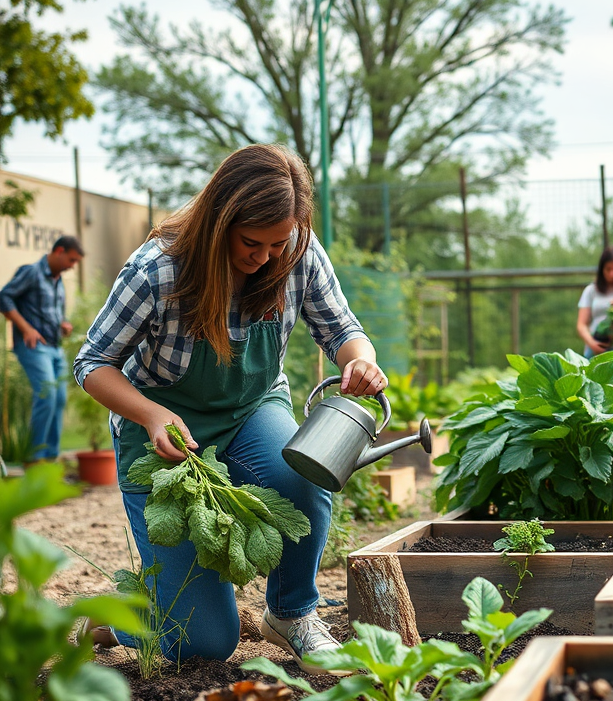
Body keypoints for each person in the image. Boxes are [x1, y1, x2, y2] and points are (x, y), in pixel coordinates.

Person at [73, 144, 388, 669]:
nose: (264, 256)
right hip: (162, 433)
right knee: (204, 646)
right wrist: (151, 414)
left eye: (277, 243)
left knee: (303, 478)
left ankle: (292, 614)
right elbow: (93, 363)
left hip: (250, 410)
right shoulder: (159, 269)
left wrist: (360, 361)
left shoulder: (299, 252)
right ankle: (129, 613)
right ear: (220, 222)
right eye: (250, 242)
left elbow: (342, 330)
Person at [0, 235, 84, 463]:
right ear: (59, 251)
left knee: (58, 399)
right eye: (71, 260)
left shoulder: (57, 280)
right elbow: (4, 297)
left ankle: (50, 460)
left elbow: (52, 313)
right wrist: (26, 328)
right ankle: (35, 460)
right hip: (34, 347)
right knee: (46, 396)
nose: (72, 266)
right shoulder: (31, 272)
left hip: (55, 347)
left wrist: (63, 324)